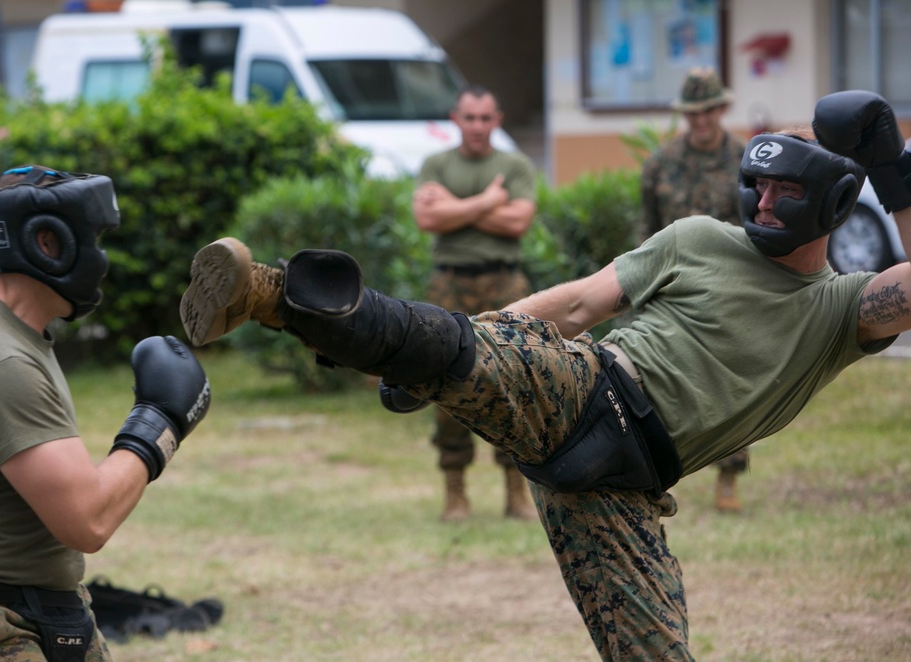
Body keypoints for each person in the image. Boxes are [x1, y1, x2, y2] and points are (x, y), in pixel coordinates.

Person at [179, 90, 911, 659]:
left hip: (627, 488)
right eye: (759, 186)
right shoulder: (699, 240)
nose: (764, 203)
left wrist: (894, 165)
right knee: (462, 345)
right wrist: (441, 357)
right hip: (590, 386)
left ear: (833, 204)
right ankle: (265, 293)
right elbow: (575, 303)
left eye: (786, 193)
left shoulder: (840, 310)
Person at [0, 165, 211, 660]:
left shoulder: (9, 337)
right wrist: (160, 423)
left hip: (21, 611)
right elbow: (86, 521)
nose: (101, 258)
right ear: (45, 242)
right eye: (91, 238)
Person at [412, 84, 539, 520]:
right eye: (470, 118)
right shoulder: (436, 164)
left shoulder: (514, 164)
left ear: (497, 120)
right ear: (456, 119)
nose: (478, 126)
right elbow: (428, 218)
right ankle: (455, 490)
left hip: (505, 285)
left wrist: (456, 207)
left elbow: (518, 222)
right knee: (445, 383)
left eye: (486, 118)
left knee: (513, 383)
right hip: (450, 288)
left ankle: (515, 490)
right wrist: (487, 202)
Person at [639, 66, 750, 512]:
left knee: (730, 383)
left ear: (721, 108)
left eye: (708, 110)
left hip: (728, 288)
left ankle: (729, 477)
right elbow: (646, 231)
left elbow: (758, 227)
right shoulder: (660, 164)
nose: (700, 120)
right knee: (663, 383)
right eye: (692, 112)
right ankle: (659, 474)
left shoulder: (746, 160)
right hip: (671, 288)